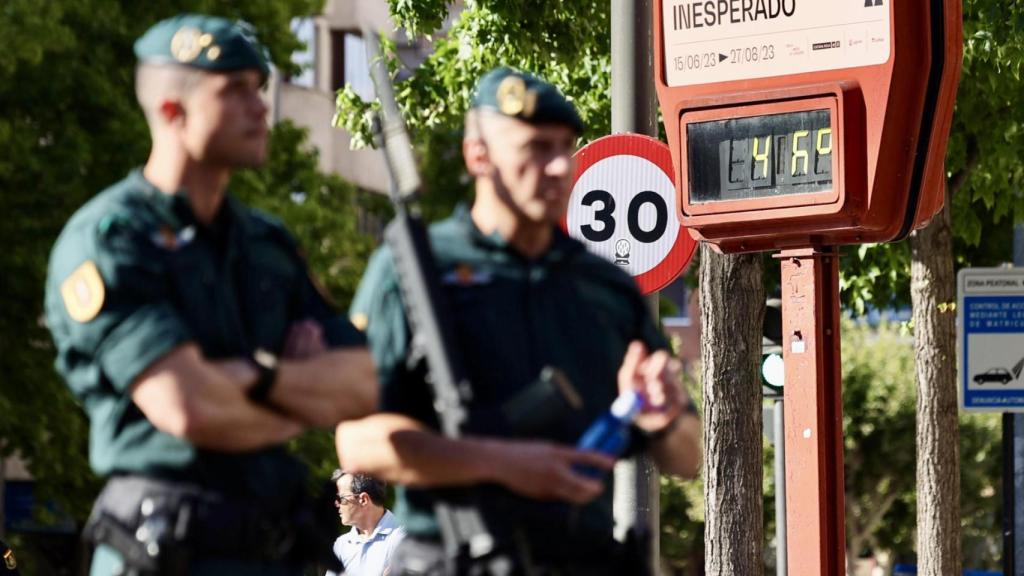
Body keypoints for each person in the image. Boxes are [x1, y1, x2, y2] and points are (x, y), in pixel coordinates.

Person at [44, 14, 377, 575]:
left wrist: (251, 381)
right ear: (173, 111)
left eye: (260, 88)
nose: (261, 107)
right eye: (236, 91)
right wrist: (291, 385)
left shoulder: (265, 243)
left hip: (273, 542)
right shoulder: (112, 238)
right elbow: (189, 405)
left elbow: (361, 382)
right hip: (164, 542)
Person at [335, 67, 701, 575]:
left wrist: (664, 417)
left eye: (563, 147)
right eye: (535, 148)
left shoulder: (604, 286)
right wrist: (501, 464)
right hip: (458, 557)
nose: (557, 167)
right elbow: (358, 441)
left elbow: (688, 457)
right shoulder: (415, 269)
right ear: (477, 155)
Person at [325, 470, 406, 576]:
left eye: (340, 498)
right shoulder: (341, 545)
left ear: (363, 500)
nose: (336, 504)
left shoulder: (403, 539)